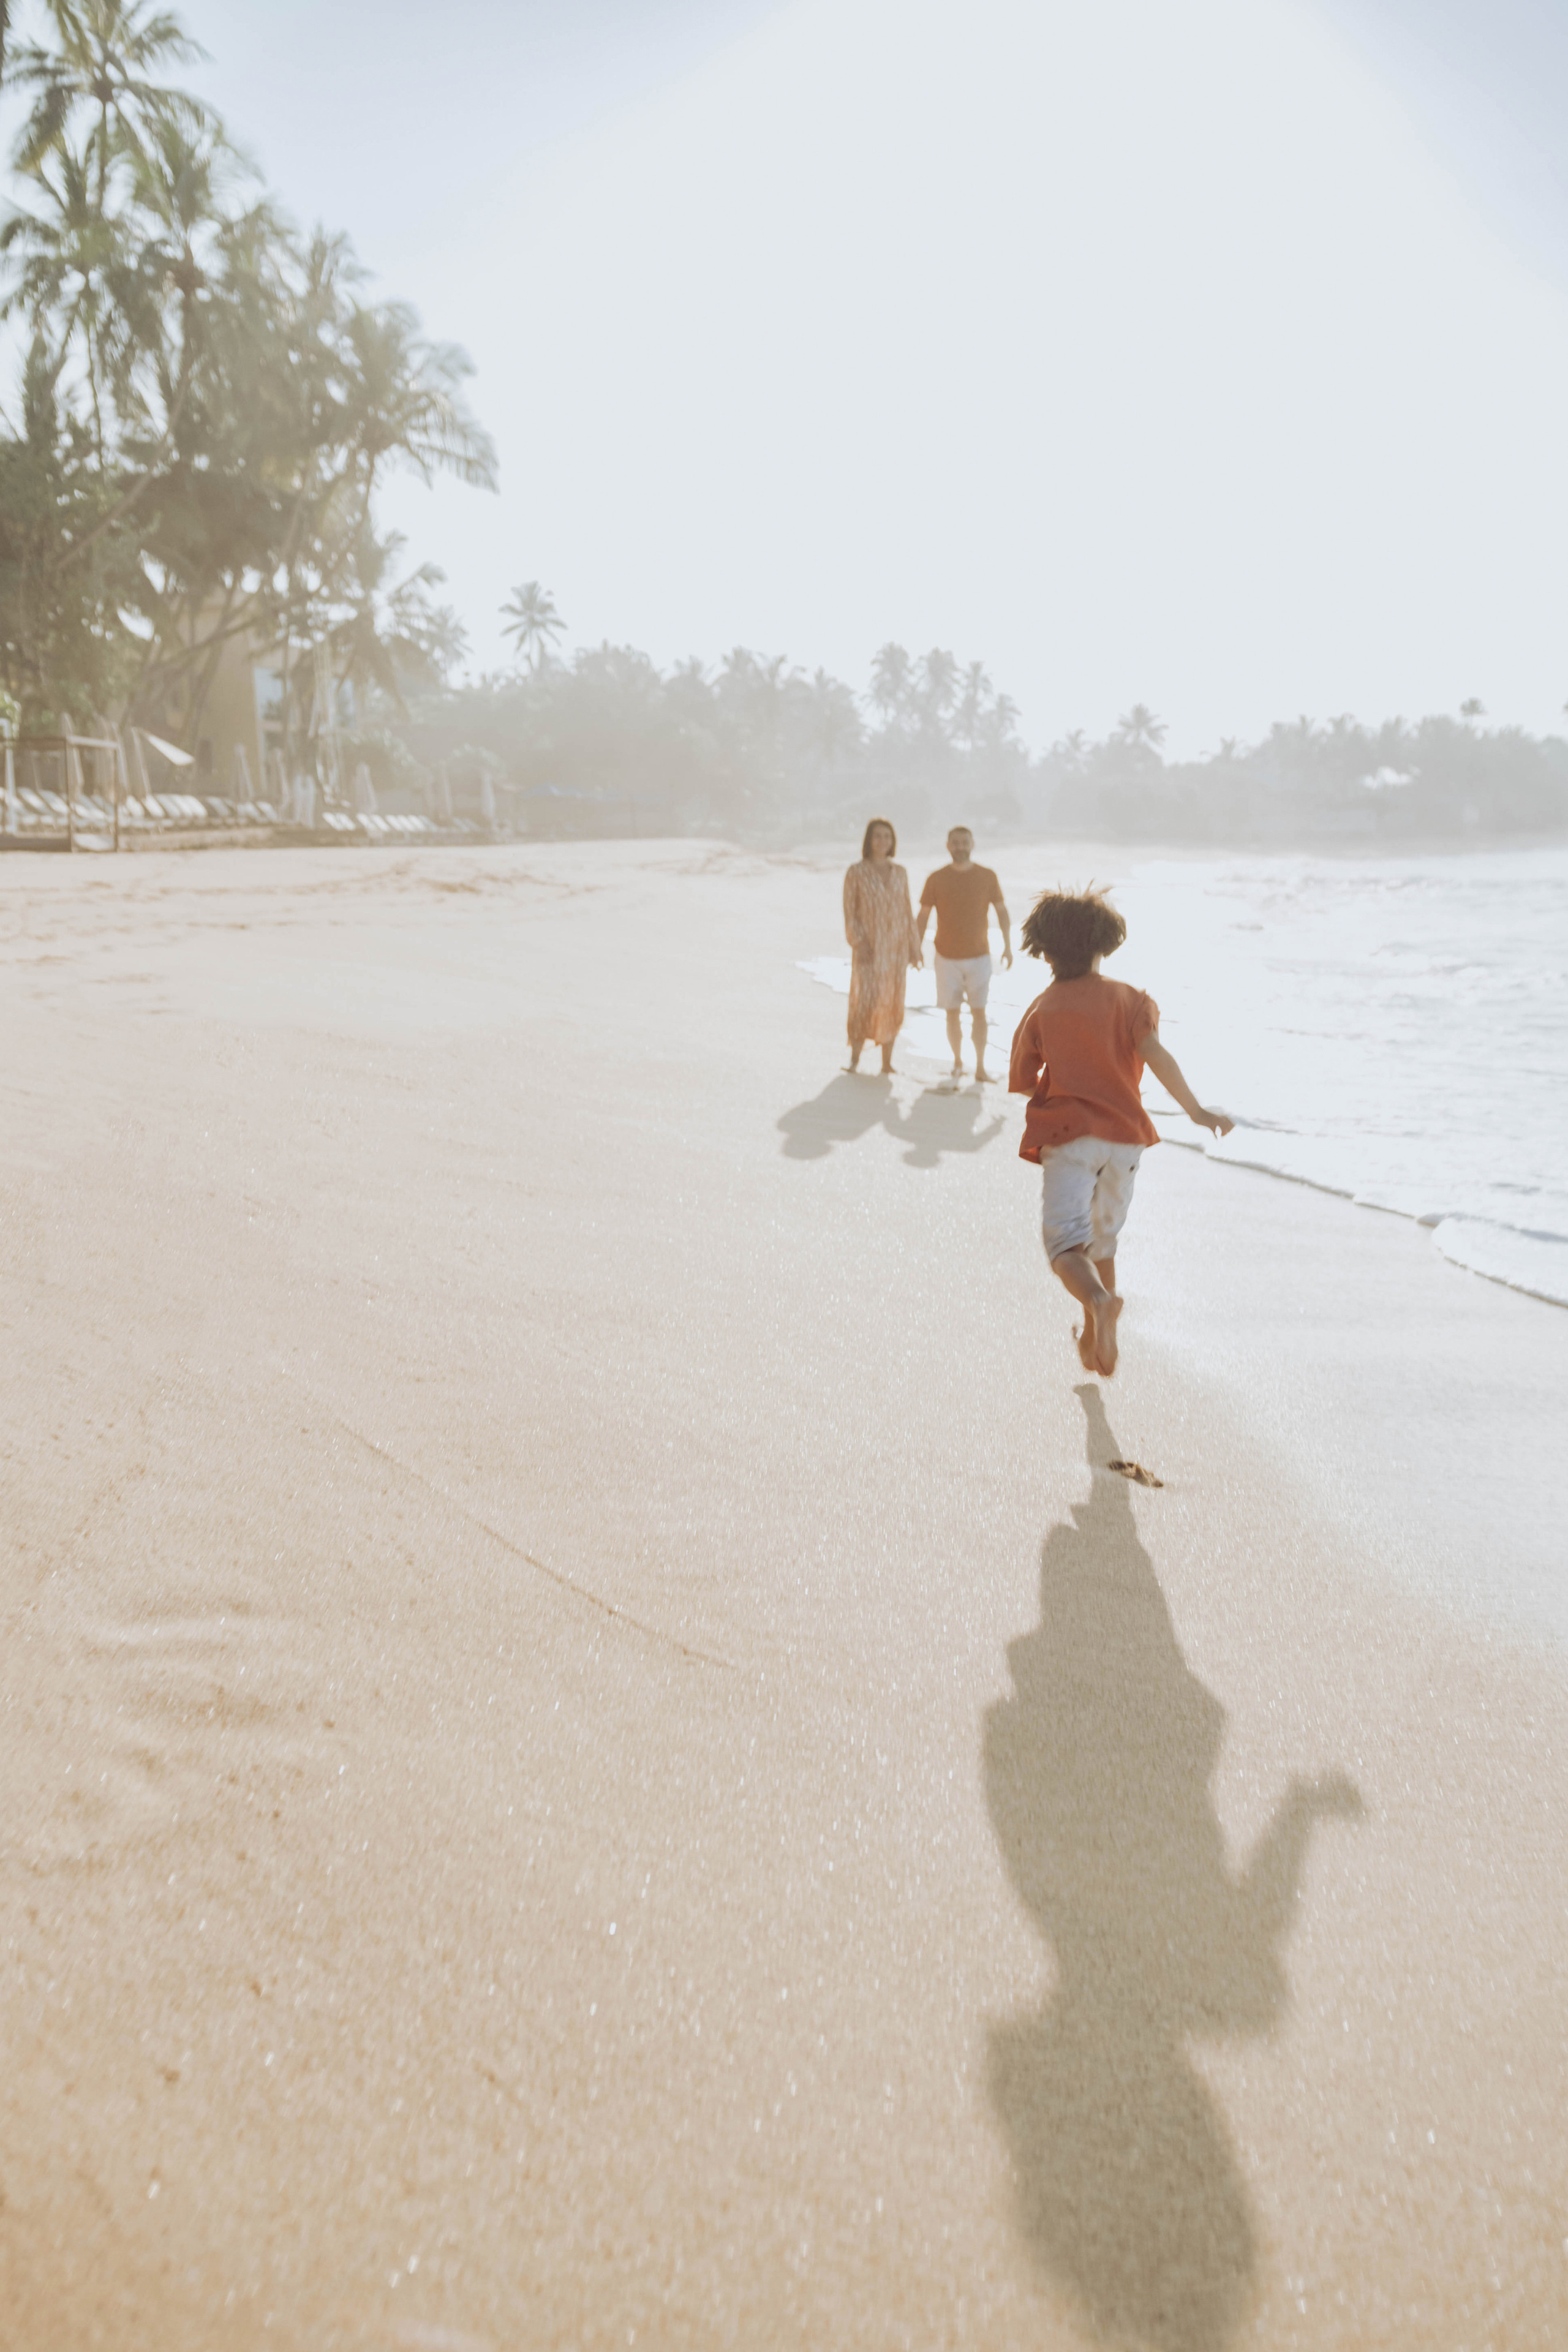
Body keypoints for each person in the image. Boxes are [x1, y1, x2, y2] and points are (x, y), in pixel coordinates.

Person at [1009, 886, 1233, 1378]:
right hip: (1126, 1138)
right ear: (1102, 945)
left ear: (1043, 951)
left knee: (1065, 1246)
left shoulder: (1043, 1007)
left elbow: (1025, 1081)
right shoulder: (1132, 1000)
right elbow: (1156, 1055)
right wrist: (1197, 1112)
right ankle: (1096, 1345)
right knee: (1101, 1243)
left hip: (1070, 1138)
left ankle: (1098, 1303)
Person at [916, 827, 1012, 1081]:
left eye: (964, 843)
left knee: (979, 1012)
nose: (960, 847)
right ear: (948, 845)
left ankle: (980, 1067)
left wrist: (1008, 946)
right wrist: (915, 948)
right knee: (952, 1013)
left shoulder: (987, 876)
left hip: (979, 956)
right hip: (946, 957)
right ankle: (958, 1062)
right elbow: (923, 916)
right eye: (955, 843)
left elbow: (1002, 912)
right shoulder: (936, 878)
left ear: (973, 844)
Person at [843, 818, 922, 1074]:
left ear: (893, 841)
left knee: (893, 1001)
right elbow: (850, 913)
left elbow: (906, 910)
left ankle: (887, 1063)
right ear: (869, 840)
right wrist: (858, 942)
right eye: (878, 836)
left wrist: (915, 947)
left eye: (887, 836)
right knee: (863, 1000)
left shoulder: (900, 872)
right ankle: (855, 1060)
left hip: (897, 950)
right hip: (869, 948)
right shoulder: (856, 872)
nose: (883, 841)